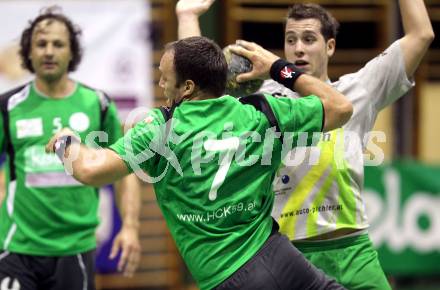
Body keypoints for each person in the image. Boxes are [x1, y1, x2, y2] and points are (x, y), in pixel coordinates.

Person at [46, 35, 352, 290]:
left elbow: (89, 170)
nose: (162, 85)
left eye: (165, 78)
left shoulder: (160, 129)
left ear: (188, 87)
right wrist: (276, 67)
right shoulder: (263, 111)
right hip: (280, 256)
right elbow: (340, 107)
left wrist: (65, 141)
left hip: (228, 278)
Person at [175, 0, 435, 289]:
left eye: (309, 39)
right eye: (290, 40)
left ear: (330, 46)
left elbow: (421, 35)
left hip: (351, 251)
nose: (298, 48)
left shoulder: (356, 91)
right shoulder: (262, 101)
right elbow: (198, 86)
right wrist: (187, 14)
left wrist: (277, 67)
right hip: (286, 255)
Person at [0, 7, 141, 290]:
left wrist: (130, 227)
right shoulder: (8, 106)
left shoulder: (98, 104)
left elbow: (126, 171)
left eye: (58, 44)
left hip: (75, 249)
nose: (49, 51)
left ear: (72, 51)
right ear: (28, 52)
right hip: (17, 246)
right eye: (41, 44)